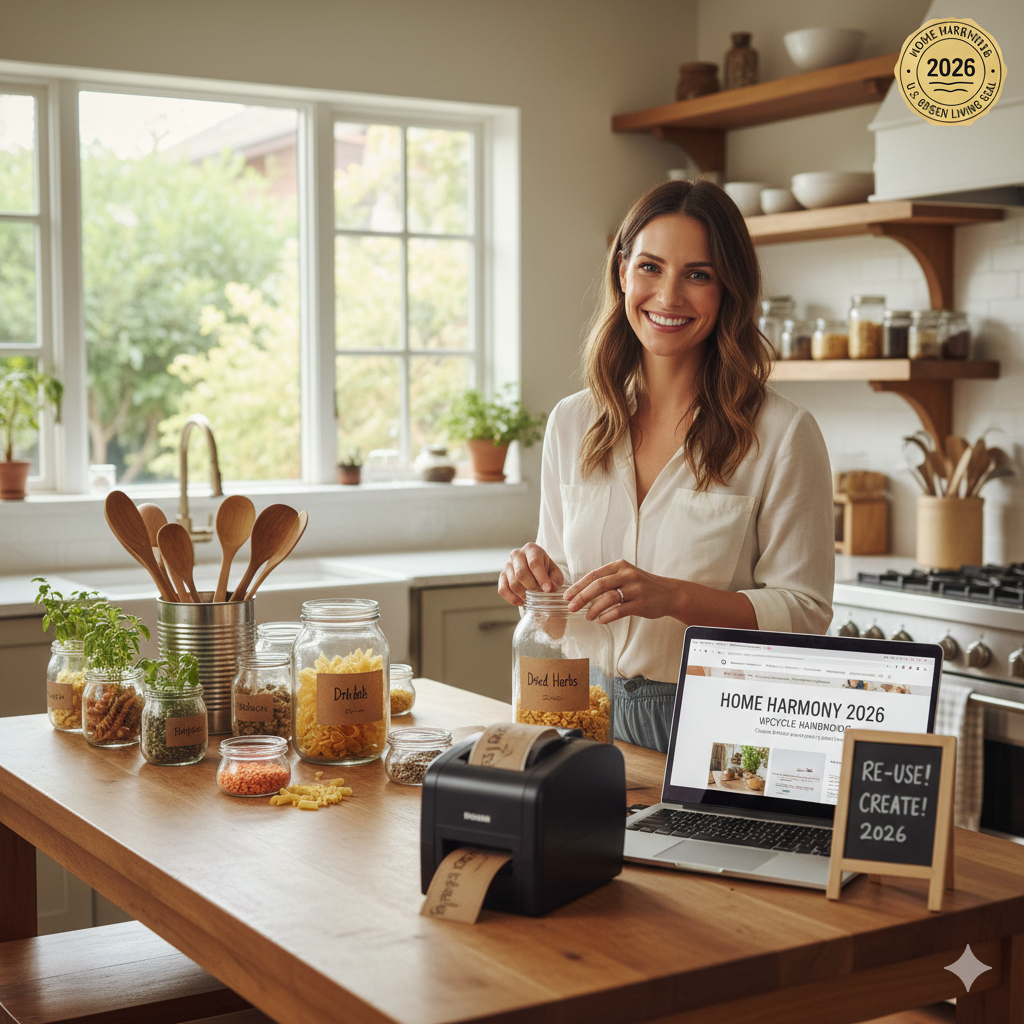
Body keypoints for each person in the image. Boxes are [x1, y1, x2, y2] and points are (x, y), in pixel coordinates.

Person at [498, 179, 834, 752]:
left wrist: (675, 599)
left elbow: (805, 611)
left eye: (697, 274)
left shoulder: (782, 434)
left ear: (729, 288)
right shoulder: (572, 422)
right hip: (576, 703)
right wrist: (533, 577)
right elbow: (557, 592)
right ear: (623, 271)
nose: (668, 296)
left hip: (709, 717)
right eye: (651, 267)